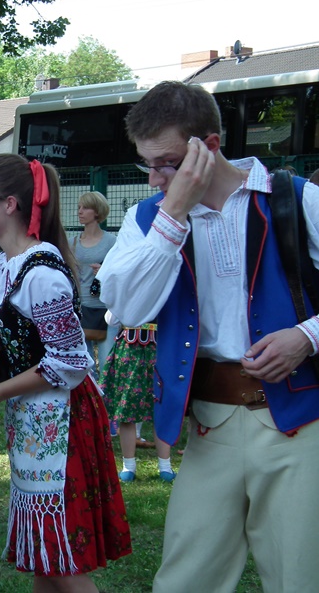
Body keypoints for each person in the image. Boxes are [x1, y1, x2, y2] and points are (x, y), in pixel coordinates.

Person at [97, 80, 319, 592]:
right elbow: (127, 308)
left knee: (300, 575)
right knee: (185, 578)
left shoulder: (294, 197)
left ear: (210, 145)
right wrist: (174, 214)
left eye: (167, 163)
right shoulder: (149, 218)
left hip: (299, 420)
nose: (155, 178)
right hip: (209, 426)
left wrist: (306, 336)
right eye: (147, 164)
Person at [0, 153, 131, 593]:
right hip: (34, 416)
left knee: (60, 559)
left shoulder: (41, 273)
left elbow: (70, 360)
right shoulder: (4, 265)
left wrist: (0, 391)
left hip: (63, 418)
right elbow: (24, 346)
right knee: (45, 553)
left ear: (10, 204)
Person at [98, 315, 175, 482]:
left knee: (148, 409)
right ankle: (158, 467)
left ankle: (139, 466)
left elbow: (111, 319)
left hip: (136, 348)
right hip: (149, 348)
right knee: (146, 409)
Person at [70, 191, 118, 375]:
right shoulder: (72, 242)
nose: (80, 211)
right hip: (80, 309)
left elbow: (122, 272)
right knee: (85, 368)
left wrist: (106, 271)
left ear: (97, 211)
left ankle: (105, 394)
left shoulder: (112, 242)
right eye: (79, 207)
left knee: (107, 366)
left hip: (106, 310)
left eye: (85, 208)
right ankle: (92, 395)